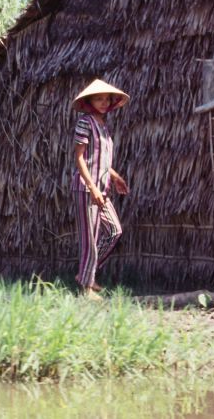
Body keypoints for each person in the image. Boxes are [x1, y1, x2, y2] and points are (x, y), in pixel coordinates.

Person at [71, 78, 131, 297]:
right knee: (90, 239)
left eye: (107, 99)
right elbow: (79, 158)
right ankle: (86, 288)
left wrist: (115, 177)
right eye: (99, 99)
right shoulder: (85, 122)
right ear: (89, 101)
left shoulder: (103, 126)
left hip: (102, 189)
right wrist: (92, 188)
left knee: (115, 230)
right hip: (87, 189)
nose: (104, 102)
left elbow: (101, 158)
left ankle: (87, 274)